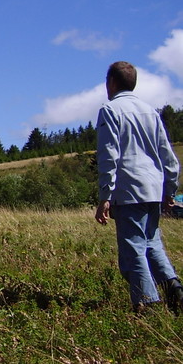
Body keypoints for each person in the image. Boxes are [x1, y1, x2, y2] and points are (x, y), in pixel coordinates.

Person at [95, 61, 183, 313]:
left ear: (111, 82)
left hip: (128, 189)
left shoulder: (110, 110)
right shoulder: (149, 111)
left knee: (133, 250)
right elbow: (168, 155)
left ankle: (148, 304)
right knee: (152, 243)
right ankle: (174, 289)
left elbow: (108, 155)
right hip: (154, 189)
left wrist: (105, 196)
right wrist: (170, 189)